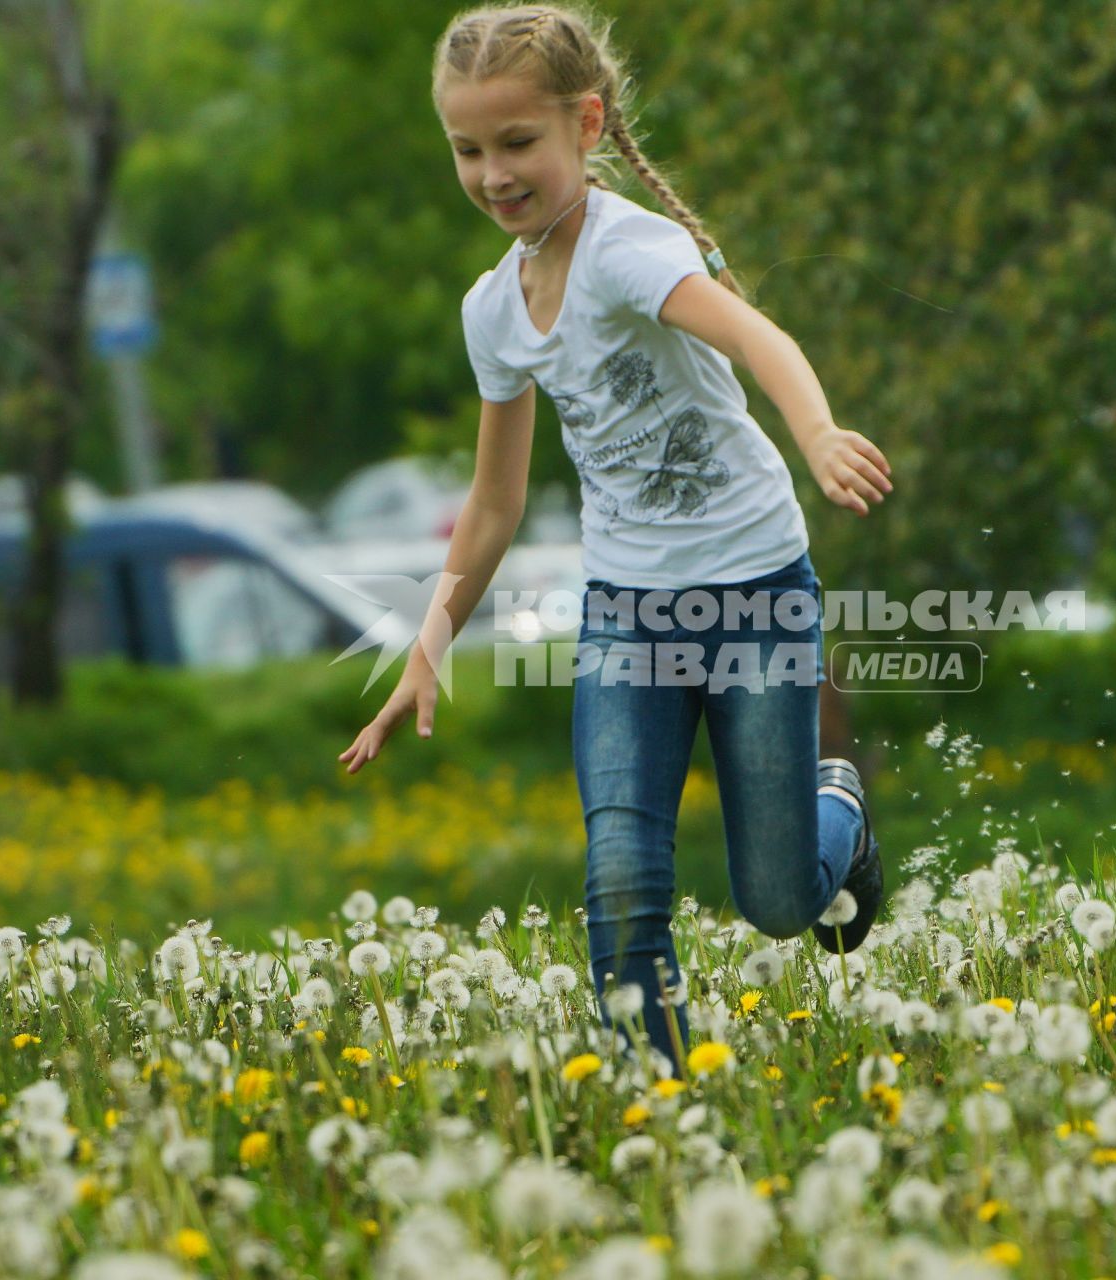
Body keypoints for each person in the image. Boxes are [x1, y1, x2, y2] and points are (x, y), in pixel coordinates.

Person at [339, 1, 893, 1076]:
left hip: (752, 592)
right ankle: (660, 1098)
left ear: (585, 126)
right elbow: (494, 501)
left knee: (780, 901)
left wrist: (817, 432)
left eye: (516, 143)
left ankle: (837, 807)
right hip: (627, 612)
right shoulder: (490, 310)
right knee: (622, 874)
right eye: (467, 148)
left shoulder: (632, 251)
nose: (493, 173)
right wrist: (428, 641)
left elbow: (755, 334)